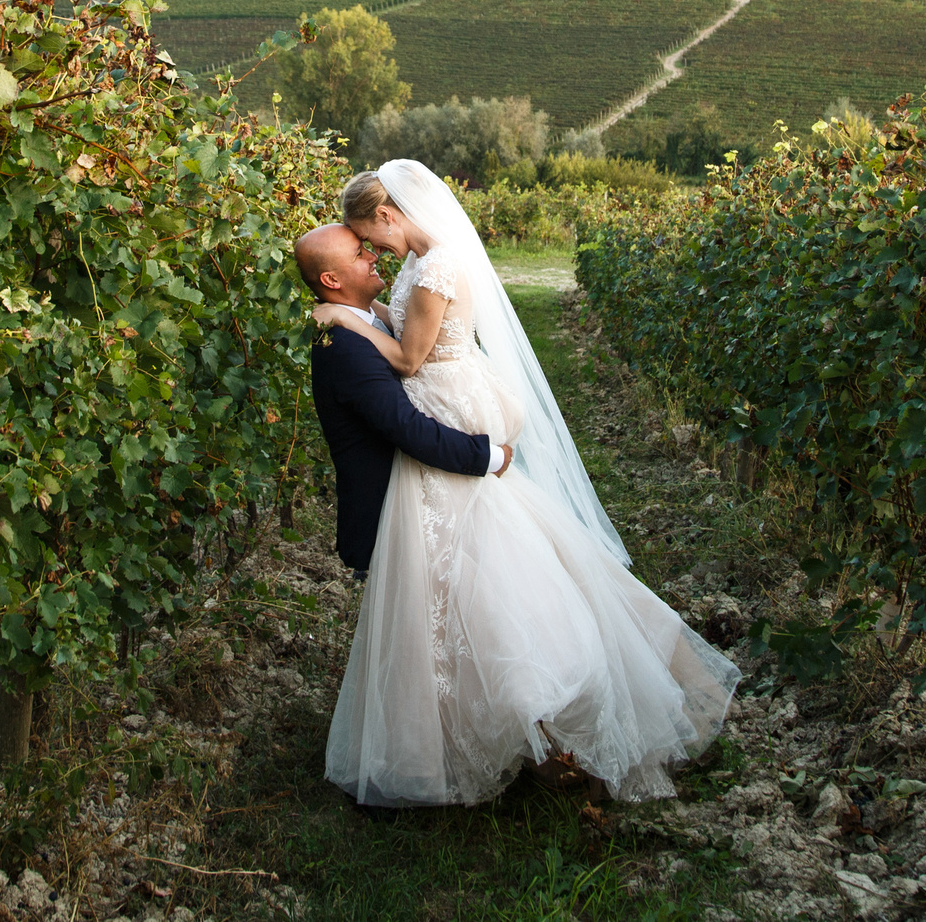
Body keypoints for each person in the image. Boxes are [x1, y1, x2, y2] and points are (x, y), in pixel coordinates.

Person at [316, 159, 739, 808]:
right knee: (486, 549)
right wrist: (367, 309)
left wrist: (348, 320)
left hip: (447, 403)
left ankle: (526, 698)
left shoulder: (434, 267)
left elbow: (407, 357)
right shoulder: (419, 261)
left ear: (390, 213)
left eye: (371, 235)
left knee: (479, 555)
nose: (372, 248)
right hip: (447, 397)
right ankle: (478, 709)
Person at [295, 222, 513, 580]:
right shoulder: (346, 348)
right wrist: (489, 456)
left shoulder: (360, 323)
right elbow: (407, 428)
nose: (372, 255)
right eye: (359, 254)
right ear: (332, 281)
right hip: (396, 523)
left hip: (425, 504)